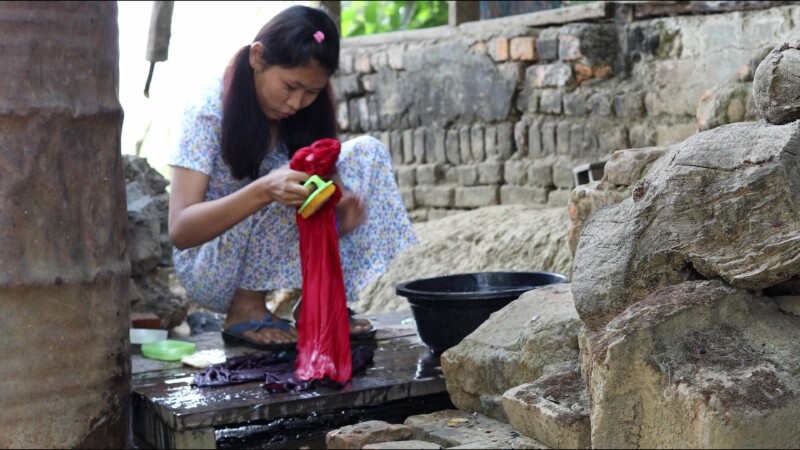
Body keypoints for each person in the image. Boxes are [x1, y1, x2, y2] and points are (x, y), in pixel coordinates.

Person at [167, 5, 417, 351]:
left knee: (366, 152)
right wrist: (263, 190)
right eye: (291, 86)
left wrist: (338, 217)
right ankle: (245, 309)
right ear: (257, 57)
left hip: (270, 260)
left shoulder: (304, 113)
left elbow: (310, 203)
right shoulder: (207, 112)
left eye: (312, 92)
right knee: (285, 181)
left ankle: (319, 302)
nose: (297, 102)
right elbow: (181, 230)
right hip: (211, 266)